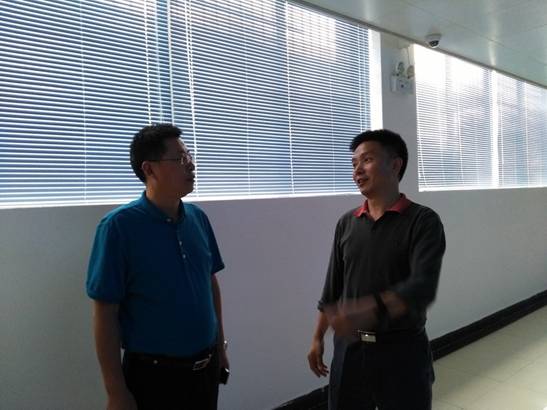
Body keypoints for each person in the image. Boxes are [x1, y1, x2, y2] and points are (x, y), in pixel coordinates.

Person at [86, 124, 228, 410]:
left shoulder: (198, 219)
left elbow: (209, 282)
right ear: (149, 169)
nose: (191, 165)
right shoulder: (119, 227)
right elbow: (105, 312)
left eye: (189, 156)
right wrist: (116, 391)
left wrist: (220, 345)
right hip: (154, 378)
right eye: (180, 158)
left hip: (205, 369)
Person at [307, 129, 446, 410]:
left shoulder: (423, 221)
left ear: (395, 165)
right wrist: (317, 337)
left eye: (367, 160)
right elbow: (332, 288)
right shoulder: (347, 223)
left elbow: (421, 287)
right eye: (354, 163)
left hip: (402, 351)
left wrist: (367, 310)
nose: (357, 170)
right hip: (349, 351)